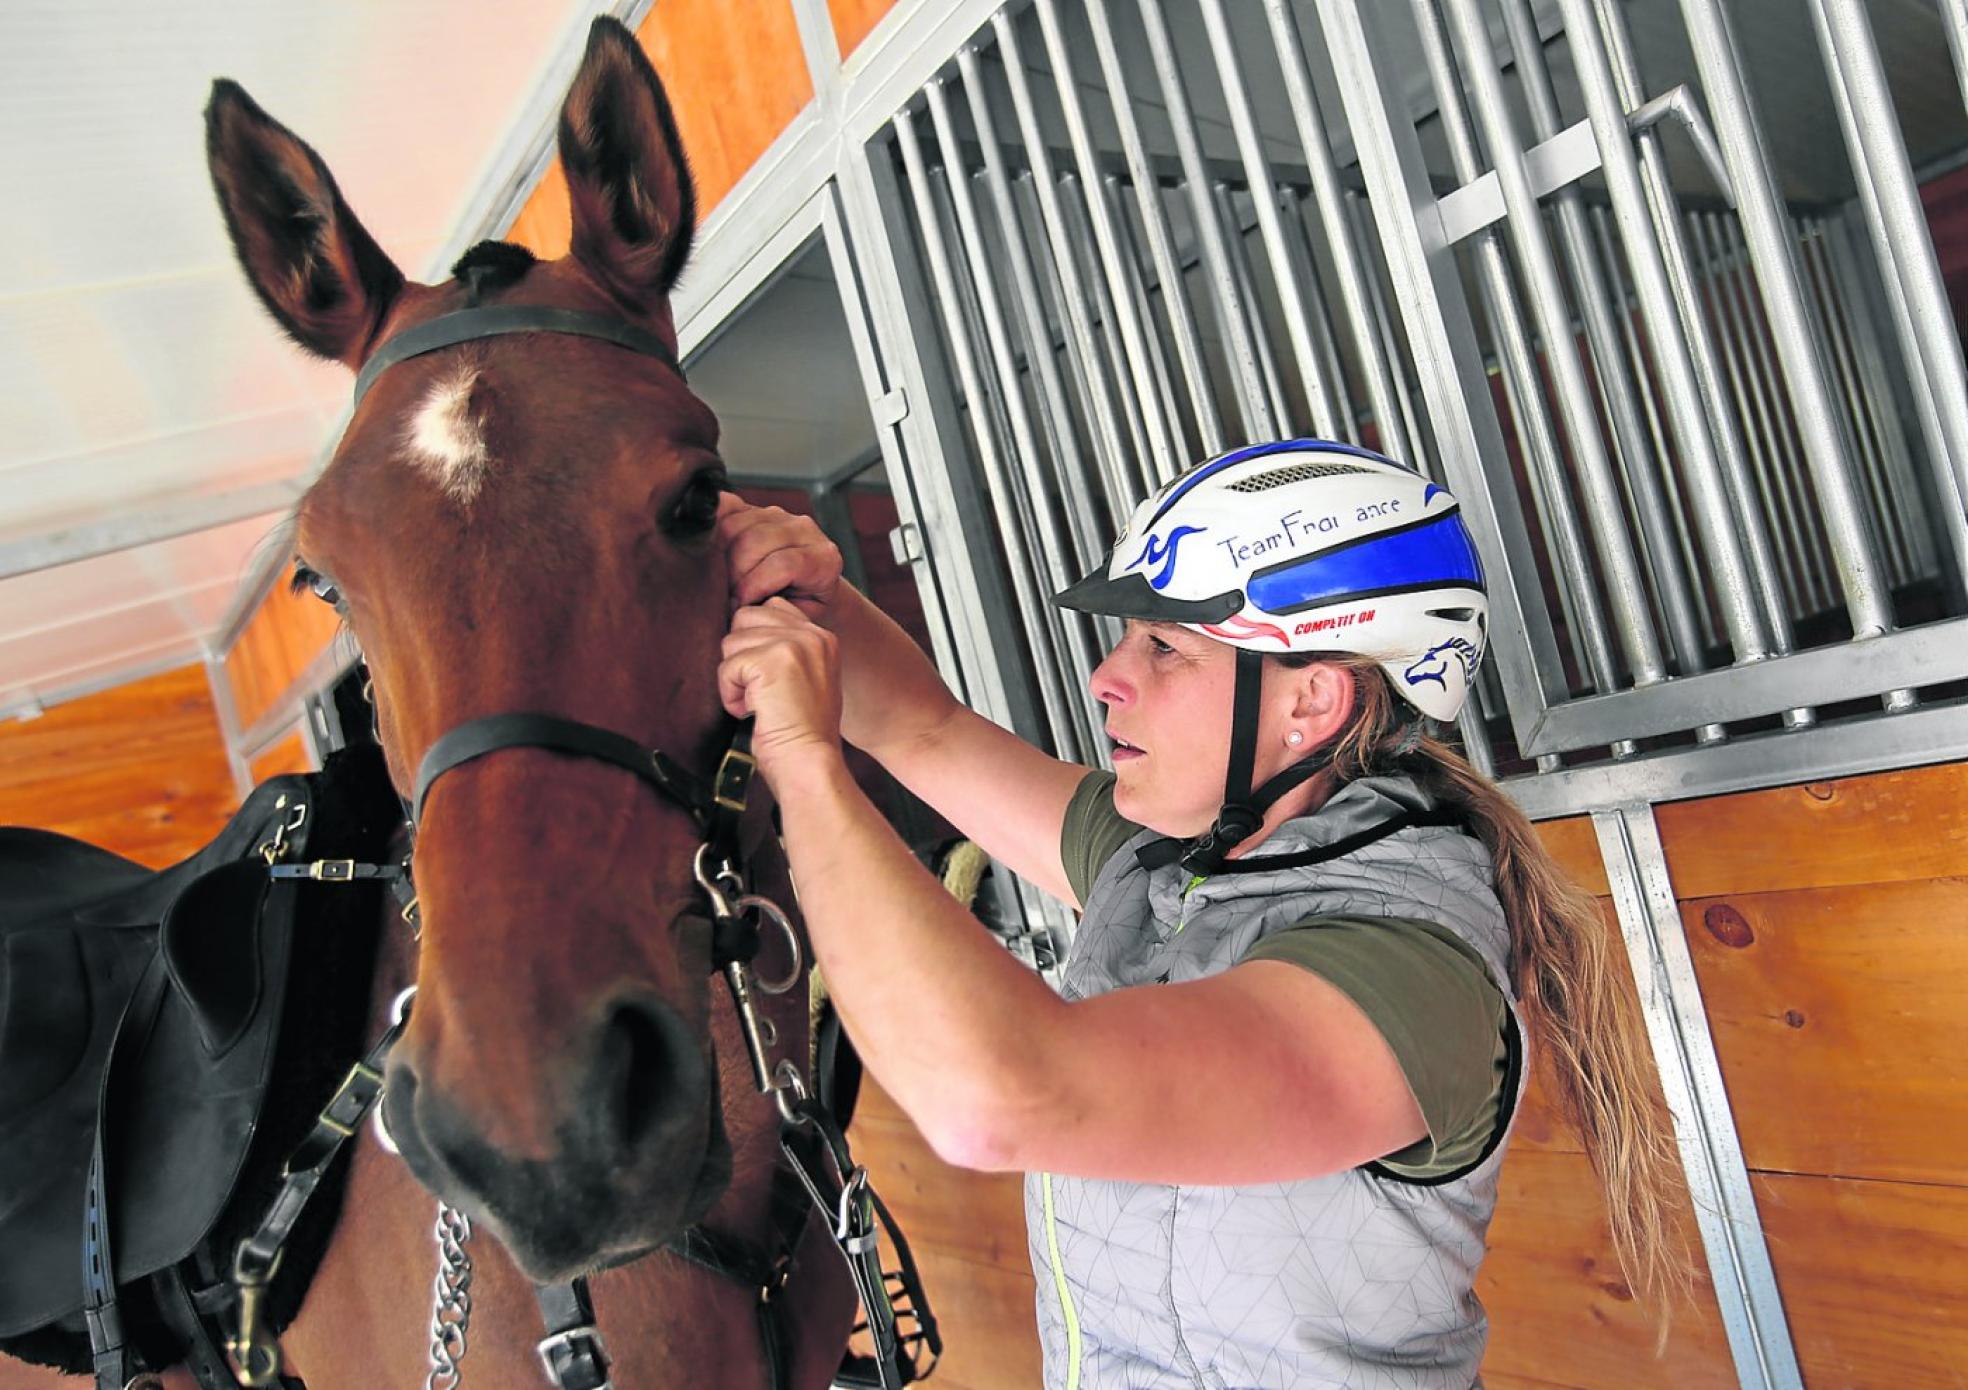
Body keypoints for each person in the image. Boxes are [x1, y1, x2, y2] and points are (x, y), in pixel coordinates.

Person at [716, 440, 1684, 1388]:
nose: (1107, 677)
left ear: (1312, 704)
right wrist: (792, 588)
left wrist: (801, 762)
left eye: (1164, 647)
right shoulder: (1168, 854)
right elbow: (926, 729)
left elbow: (998, 1099)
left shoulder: (1411, 970)